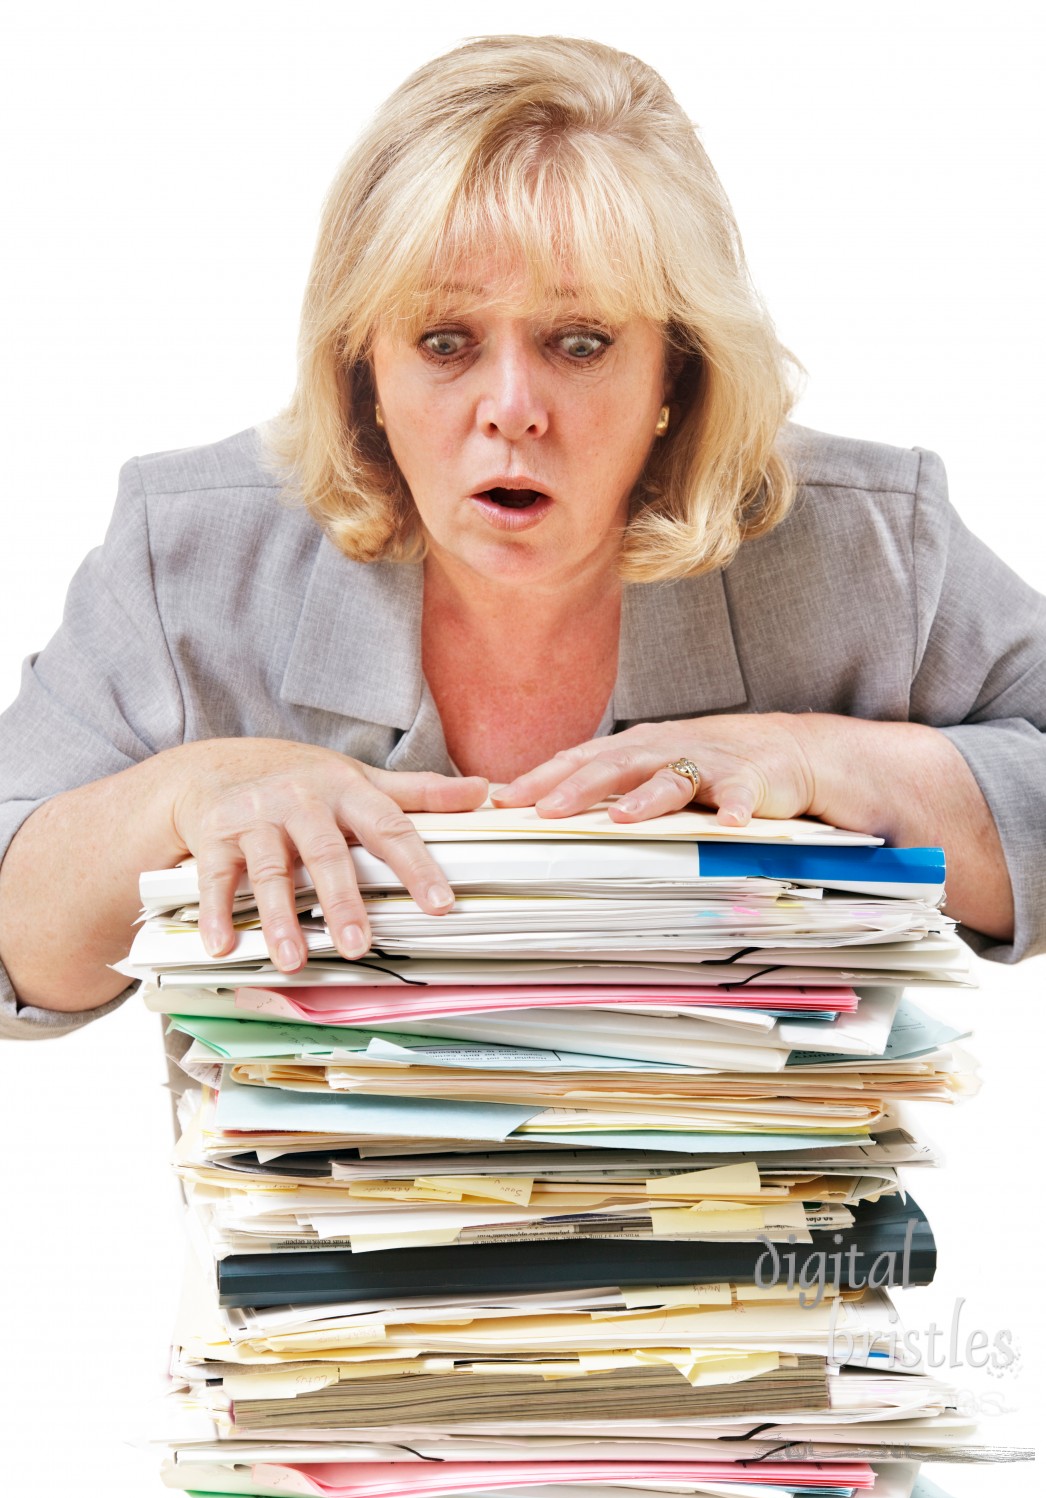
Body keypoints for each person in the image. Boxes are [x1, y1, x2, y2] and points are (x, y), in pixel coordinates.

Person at [0, 33, 1043, 1043]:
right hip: (320, 1210)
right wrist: (181, 797)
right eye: (444, 341)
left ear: (674, 369)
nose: (511, 407)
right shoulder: (187, 552)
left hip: (780, 1210)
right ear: (364, 362)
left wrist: (817, 756)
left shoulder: (870, 538)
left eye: (577, 342)